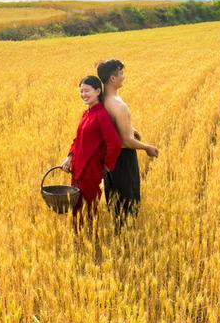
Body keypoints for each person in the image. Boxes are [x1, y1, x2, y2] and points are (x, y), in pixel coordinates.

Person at [96, 58, 159, 229]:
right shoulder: (117, 105)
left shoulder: (103, 101)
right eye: (121, 73)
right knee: (128, 199)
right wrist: (147, 147)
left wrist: (132, 128)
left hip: (110, 158)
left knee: (115, 198)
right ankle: (125, 236)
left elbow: (113, 127)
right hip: (123, 158)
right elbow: (125, 141)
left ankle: (119, 232)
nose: (124, 76)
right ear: (112, 78)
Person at [61, 75, 122, 232]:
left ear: (97, 91)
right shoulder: (86, 113)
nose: (83, 94)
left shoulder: (101, 115)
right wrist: (70, 157)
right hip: (76, 169)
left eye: (87, 91)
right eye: (81, 91)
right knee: (75, 207)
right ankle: (77, 242)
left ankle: (90, 241)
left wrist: (107, 166)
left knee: (88, 209)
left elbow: (115, 143)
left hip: (90, 170)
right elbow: (77, 139)